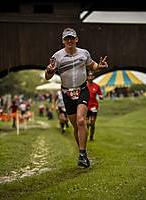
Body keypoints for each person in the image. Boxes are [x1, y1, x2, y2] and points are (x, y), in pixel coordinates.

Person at [45, 27, 108, 168]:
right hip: (67, 93)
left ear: (76, 39)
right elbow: (47, 76)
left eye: (71, 38)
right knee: (75, 125)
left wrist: (100, 66)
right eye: (67, 38)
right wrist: (49, 70)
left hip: (82, 90)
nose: (69, 41)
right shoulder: (57, 56)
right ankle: (82, 152)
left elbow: (92, 66)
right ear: (63, 41)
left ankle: (82, 154)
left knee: (81, 120)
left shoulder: (84, 53)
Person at [86, 71, 104, 141]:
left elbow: (100, 94)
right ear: (87, 77)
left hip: (94, 106)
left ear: (93, 77)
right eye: (89, 76)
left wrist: (101, 97)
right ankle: (85, 136)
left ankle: (91, 137)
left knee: (93, 123)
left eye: (91, 76)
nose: (90, 77)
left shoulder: (97, 86)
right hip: (86, 106)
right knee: (87, 123)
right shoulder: (85, 86)